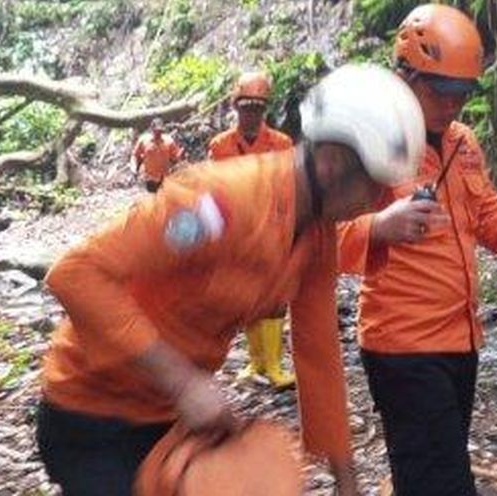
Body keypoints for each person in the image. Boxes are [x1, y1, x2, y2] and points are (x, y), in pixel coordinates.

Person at [35, 63, 426, 496]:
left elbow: (320, 354)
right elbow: (74, 274)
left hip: (168, 421)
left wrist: (346, 482)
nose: (379, 202)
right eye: (375, 188)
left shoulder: (317, 236)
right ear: (333, 164)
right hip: (88, 412)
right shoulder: (220, 204)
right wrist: (182, 381)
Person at [338, 4, 497, 496]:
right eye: (440, 91)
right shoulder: (370, 145)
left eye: (463, 93)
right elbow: (322, 238)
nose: (453, 105)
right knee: (442, 483)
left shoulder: (463, 142)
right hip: (403, 346)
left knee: (426, 472)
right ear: (404, 75)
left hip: (460, 342)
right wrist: (379, 226)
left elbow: (489, 219)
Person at [209, 70, 299, 389]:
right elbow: (215, 190)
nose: (251, 113)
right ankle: (256, 361)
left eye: (258, 107)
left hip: (273, 230)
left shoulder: (281, 143)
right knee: (248, 297)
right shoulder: (220, 146)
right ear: (236, 107)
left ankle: (274, 365)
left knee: (274, 298)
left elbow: (289, 189)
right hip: (239, 232)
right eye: (246, 106)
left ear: (265, 110)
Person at [131, 117, 184, 192]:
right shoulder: (144, 140)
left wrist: (179, 156)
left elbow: (175, 158)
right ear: (152, 129)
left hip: (165, 177)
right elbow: (135, 155)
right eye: (157, 131)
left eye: (160, 131)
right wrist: (134, 168)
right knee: (153, 199)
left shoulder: (169, 141)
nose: (158, 133)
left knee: (164, 199)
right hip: (150, 178)